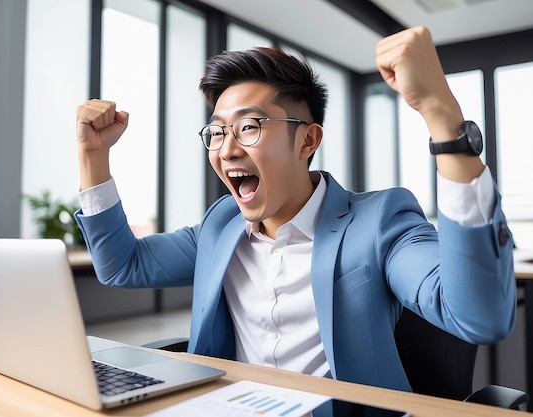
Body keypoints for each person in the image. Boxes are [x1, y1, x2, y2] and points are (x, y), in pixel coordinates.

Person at [74, 26, 516, 394]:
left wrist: (442, 115)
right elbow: (122, 266)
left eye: (248, 127)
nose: (226, 150)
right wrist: (94, 157)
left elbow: (478, 315)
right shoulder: (221, 223)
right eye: (216, 132)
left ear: (307, 141)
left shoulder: (380, 221)